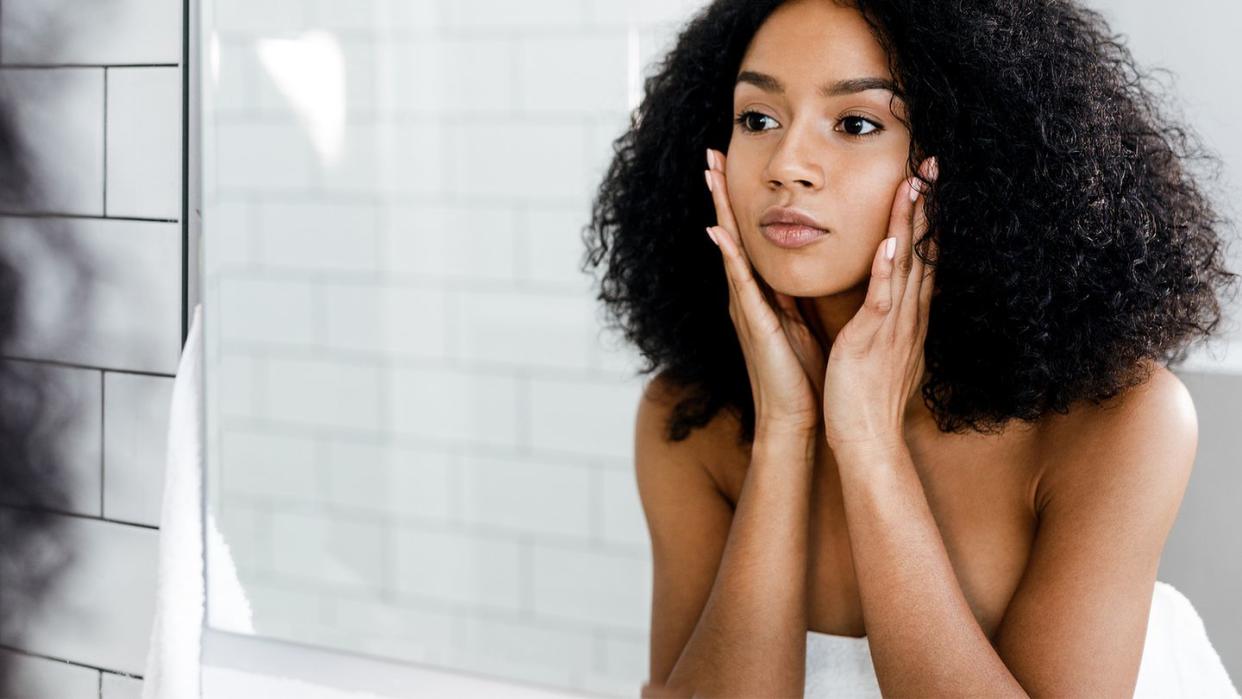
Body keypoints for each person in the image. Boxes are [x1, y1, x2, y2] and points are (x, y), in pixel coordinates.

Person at [583, 0, 1241, 696]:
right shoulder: (688, 421)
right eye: (758, 119)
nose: (786, 164)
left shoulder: (1120, 421)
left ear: (969, 157)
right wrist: (786, 433)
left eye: (856, 123)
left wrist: (869, 444)